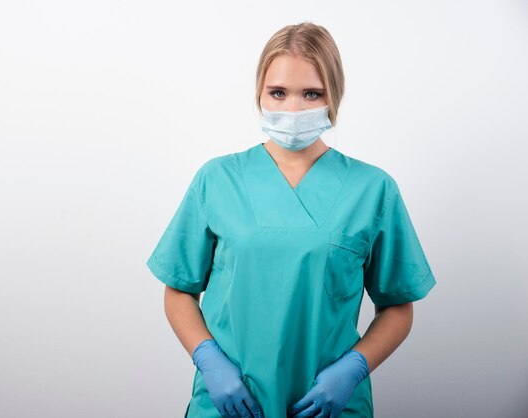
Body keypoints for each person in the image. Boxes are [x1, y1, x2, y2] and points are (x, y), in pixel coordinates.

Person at [146, 21, 437, 418]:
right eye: (278, 93)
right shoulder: (217, 179)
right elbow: (178, 289)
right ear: (259, 94)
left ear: (333, 96)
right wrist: (209, 360)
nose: (293, 108)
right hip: (229, 403)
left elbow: (398, 306)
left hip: (329, 407)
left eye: (311, 93)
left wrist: (353, 370)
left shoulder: (372, 189)